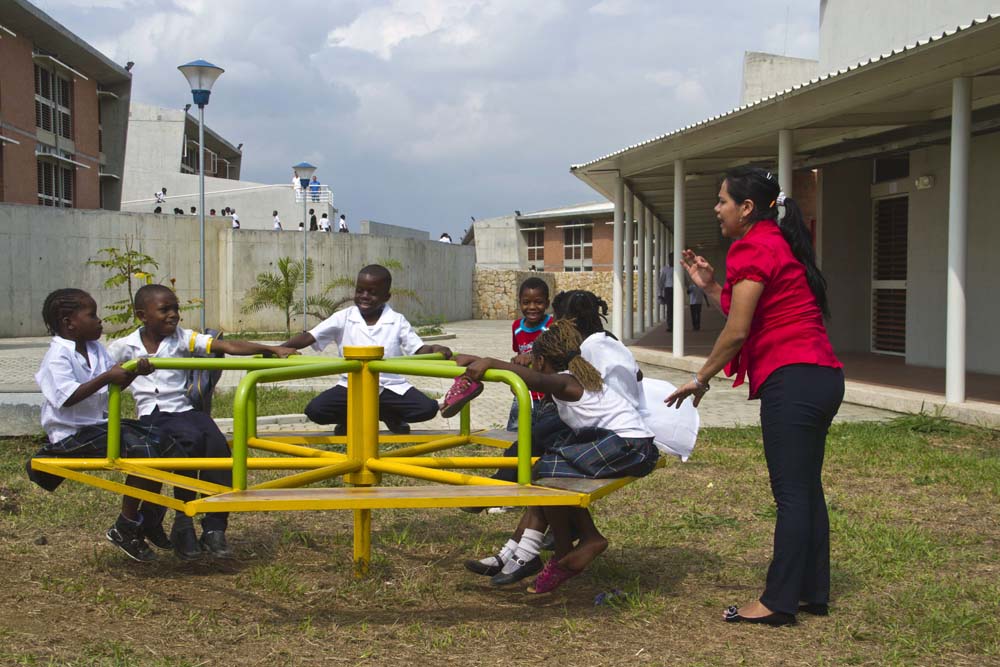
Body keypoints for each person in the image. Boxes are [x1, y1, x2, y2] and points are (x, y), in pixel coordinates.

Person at [666, 166, 843, 627]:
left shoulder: (752, 247)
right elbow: (748, 311)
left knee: (791, 494)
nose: (716, 209)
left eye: (722, 200)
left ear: (746, 208)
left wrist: (700, 378)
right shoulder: (775, 242)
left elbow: (737, 332)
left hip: (793, 379)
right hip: (821, 377)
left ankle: (777, 602)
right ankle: (812, 593)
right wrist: (710, 285)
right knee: (806, 489)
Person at [456, 319, 659, 594]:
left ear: (540, 362)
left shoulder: (566, 382)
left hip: (629, 447)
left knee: (545, 472)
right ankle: (551, 547)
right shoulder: (577, 377)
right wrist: (474, 359)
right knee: (547, 470)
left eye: (533, 361)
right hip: (629, 445)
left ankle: (577, 543)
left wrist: (490, 361)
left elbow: (537, 380)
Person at [110, 285, 297, 559]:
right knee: (189, 443)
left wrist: (271, 348)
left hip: (184, 409)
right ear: (142, 315)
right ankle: (183, 522)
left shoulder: (182, 338)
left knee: (217, 445)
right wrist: (130, 373)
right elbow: (106, 376)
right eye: (164, 309)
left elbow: (228, 346)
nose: (173, 314)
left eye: (176, 308)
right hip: (153, 414)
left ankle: (214, 526)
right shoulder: (124, 346)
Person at [29, 288, 180, 562]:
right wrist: (107, 377)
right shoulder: (57, 356)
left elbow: (115, 384)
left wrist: (134, 372)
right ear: (69, 323)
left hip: (100, 426)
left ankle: (149, 519)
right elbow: (67, 397)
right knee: (143, 451)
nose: (99, 321)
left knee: (163, 441)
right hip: (71, 434)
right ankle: (126, 525)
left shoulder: (95, 349)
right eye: (92, 315)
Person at [282, 264, 453, 435]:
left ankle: (390, 416)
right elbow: (310, 336)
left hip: (389, 386)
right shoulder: (344, 317)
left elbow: (418, 348)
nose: (364, 296)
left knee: (427, 409)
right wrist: (279, 349)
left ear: (386, 296)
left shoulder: (396, 320)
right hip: (352, 385)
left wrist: (435, 348)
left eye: (372, 292)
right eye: (360, 291)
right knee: (315, 410)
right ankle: (348, 419)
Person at [505, 277, 553, 431]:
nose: (532, 307)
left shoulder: (552, 325)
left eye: (538, 302)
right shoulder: (516, 326)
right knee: (515, 432)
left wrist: (533, 357)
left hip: (548, 395)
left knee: (545, 434)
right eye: (526, 302)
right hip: (524, 393)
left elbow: (556, 355)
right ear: (519, 303)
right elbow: (518, 354)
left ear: (547, 303)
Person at [657, 256, 674, 331]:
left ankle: (676, 324)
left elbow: (684, 278)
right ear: (669, 259)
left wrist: (689, 287)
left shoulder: (678, 268)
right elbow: (661, 282)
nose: (673, 260)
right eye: (671, 259)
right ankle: (670, 325)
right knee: (670, 308)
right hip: (668, 290)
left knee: (677, 308)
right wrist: (660, 294)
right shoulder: (665, 269)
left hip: (677, 290)